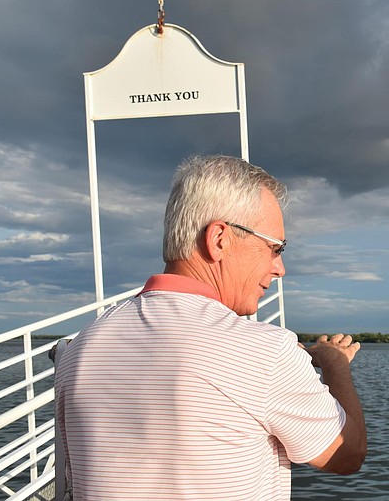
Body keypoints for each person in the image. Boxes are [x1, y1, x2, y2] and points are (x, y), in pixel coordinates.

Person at [55, 155, 367, 500]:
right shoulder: (264, 351)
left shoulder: (83, 346)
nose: (279, 269)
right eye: (275, 248)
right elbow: (345, 455)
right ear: (219, 238)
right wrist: (336, 365)